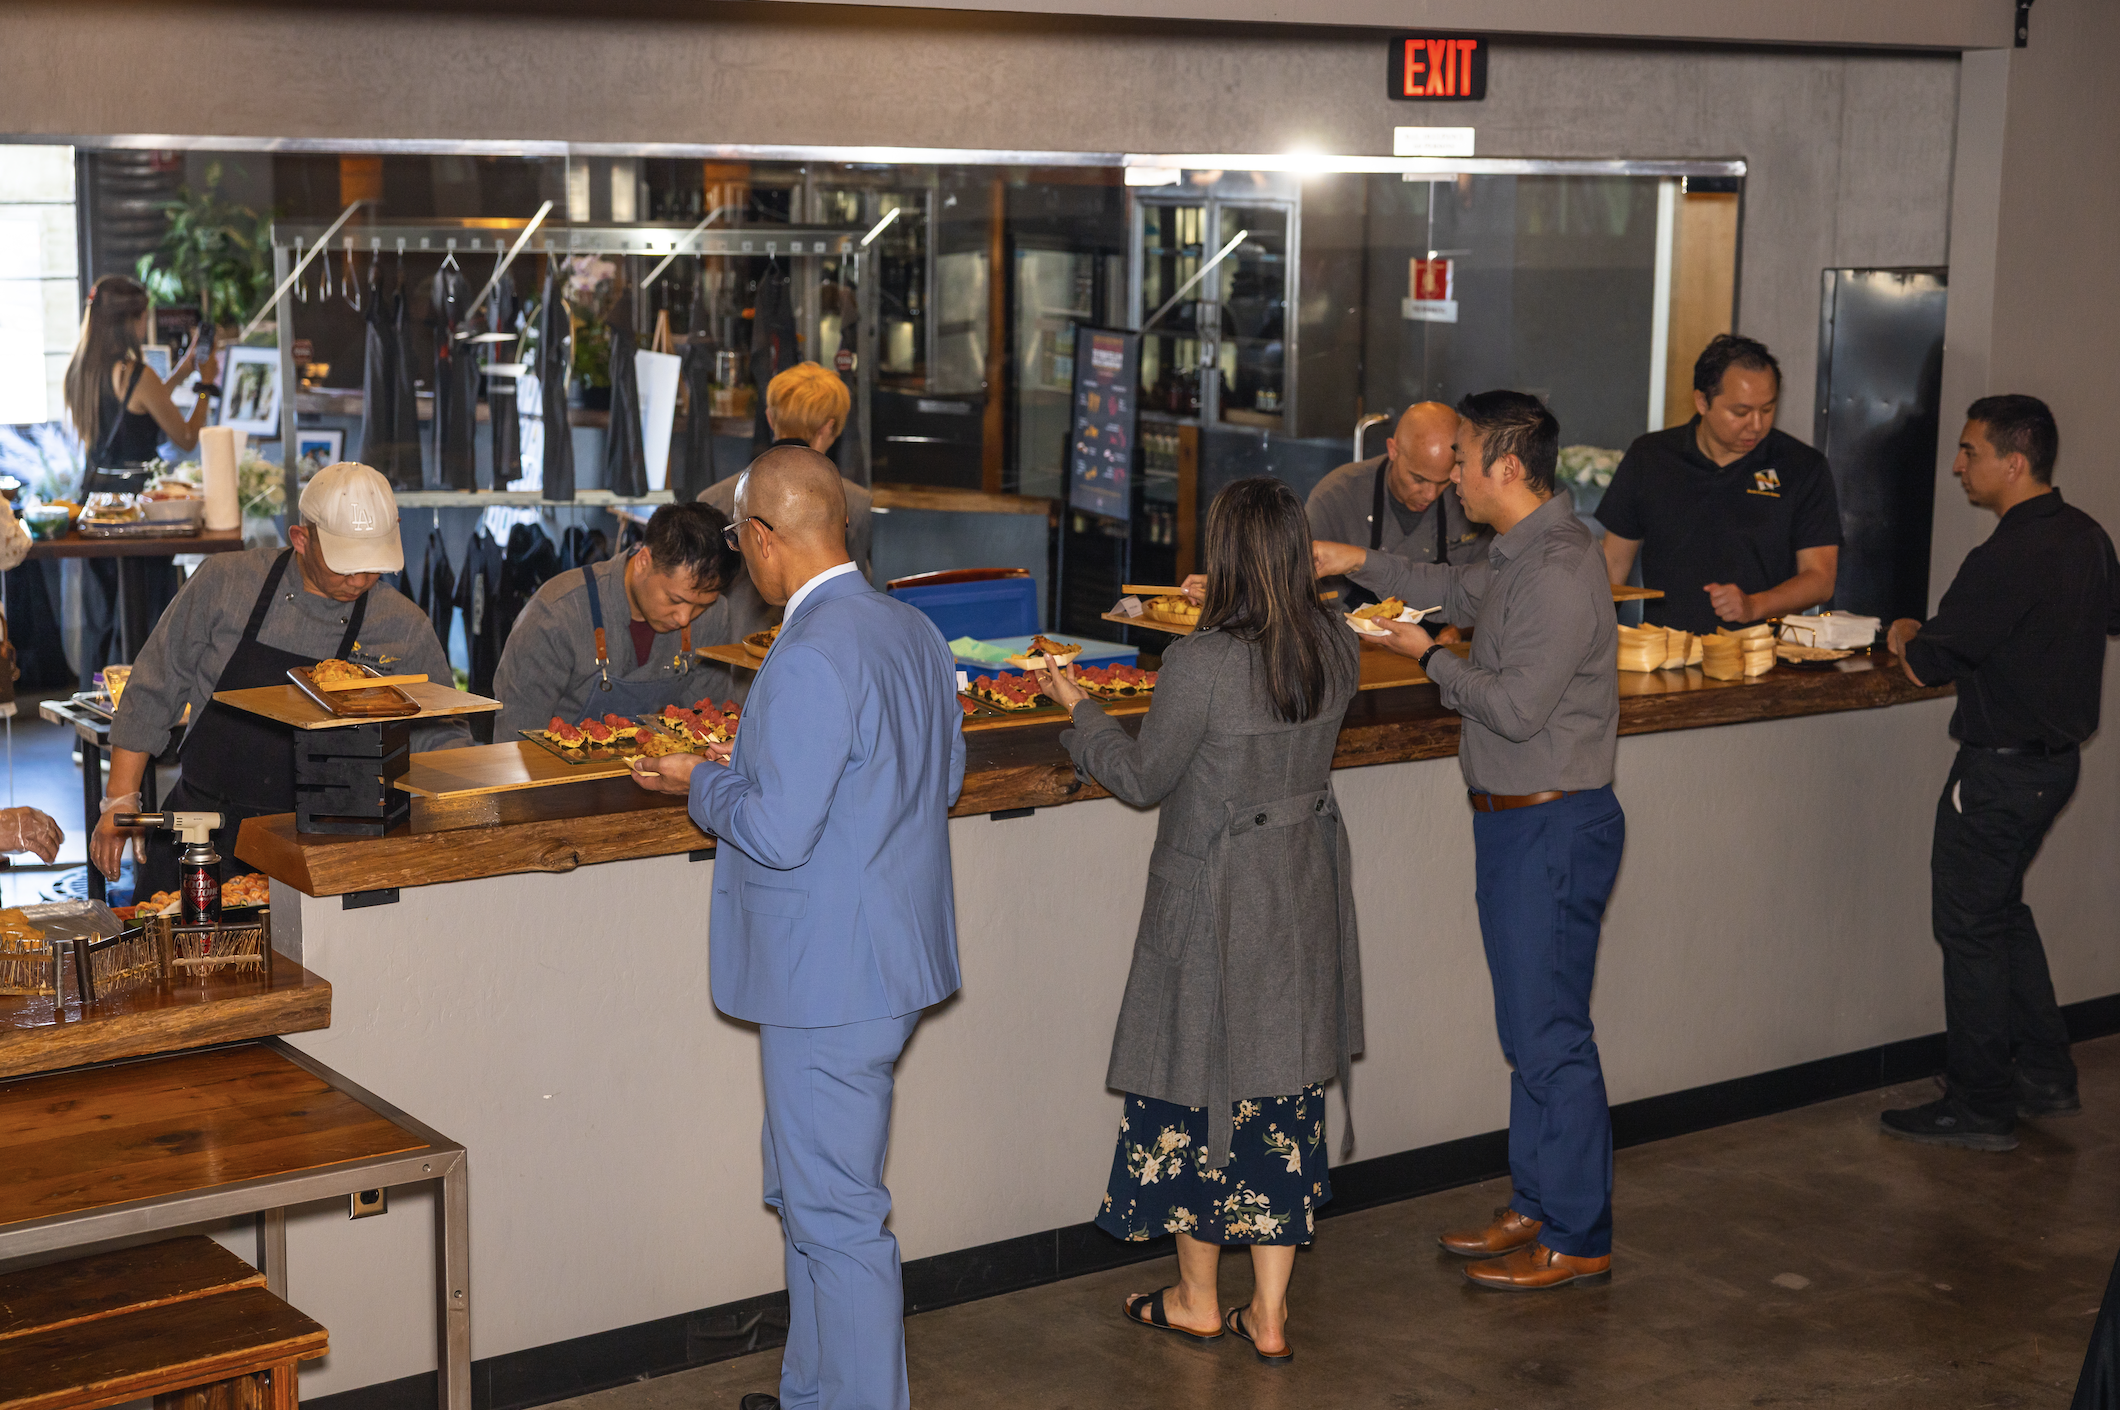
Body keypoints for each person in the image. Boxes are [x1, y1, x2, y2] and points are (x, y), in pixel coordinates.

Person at [629, 446, 963, 1410]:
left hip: (829, 976)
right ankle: (819, 1393)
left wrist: (702, 781)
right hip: (885, 960)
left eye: (739, 541)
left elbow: (776, 831)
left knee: (840, 1220)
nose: (742, 560)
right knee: (815, 1203)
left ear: (767, 538)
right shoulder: (908, 630)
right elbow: (937, 784)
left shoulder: (812, 651)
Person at [1034, 476, 1360, 1363]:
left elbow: (1143, 778)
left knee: (1191, 1087)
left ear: (1221, 560)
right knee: (1279, 1095)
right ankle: (1273, 1314)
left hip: (1211, 896)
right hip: (1298, 889)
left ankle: (1196, 1300)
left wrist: (1078, 710)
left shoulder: (1203, 661)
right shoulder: (1335, 640)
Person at [1316, 390, 1623, 1291]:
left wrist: (1426, 656)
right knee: (1527, 1030)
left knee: (1553, 1036)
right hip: (1517, 820)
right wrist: (1354, 558)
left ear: (1508, 469)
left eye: (1464, 460)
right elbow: (1450, 586)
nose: (1451, 475)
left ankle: (1579, 1232)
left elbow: (1518, 707)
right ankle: (1537, 1202)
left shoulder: (1562, 569)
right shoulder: (1522, 551)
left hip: (1552, 819)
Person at [1879, 396, 2120, 1151]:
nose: (1957, 465)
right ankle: (2045, 1074)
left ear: (2013, 462)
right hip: (2055, 769)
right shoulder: (2087, 537)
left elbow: (1926, 664)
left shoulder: (2007, 555)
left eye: (1969, 451)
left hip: (1998, 774)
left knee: (1970, 928)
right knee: (2000, 914)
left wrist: (1903, 631)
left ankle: (1978, 1104)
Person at [92, 463, 465, 894]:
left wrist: (457, 805)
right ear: (301, 539)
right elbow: (155, 686)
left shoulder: (402, 625)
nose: (360, 580)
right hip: (201, 834)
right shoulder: (226, 583)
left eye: (373, 565)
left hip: (323, 847)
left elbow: (441, 731)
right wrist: (120, 799)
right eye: (345, 565)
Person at [1596, 334, 1841, 634]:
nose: (1756, 424)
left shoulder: (1802, 467)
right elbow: (1614, 564)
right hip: (1666, 652)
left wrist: (1754, 605)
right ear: (1702, 401)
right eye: (1740, 412)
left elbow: (1820, 578)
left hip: (1763, 656)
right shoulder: (1650, 457)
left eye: (1767, 410)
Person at [61, 275, 222, 688]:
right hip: (137, 511)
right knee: (144, 616)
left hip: (94, 506)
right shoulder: (137, 373)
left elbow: (138, 406)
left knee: (101, 616)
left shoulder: (80, 369)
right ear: (130, 320)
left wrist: (184, 370)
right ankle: (138, 716)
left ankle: (91, 722)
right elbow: (185, 437)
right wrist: (205, 385)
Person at [491, 502, 751, 735]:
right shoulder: (556, 615)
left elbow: (710, 725)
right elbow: (515, 743)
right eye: (676, 600)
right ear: (644, 561)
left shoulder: (715, 614)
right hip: (559, 782)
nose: (685, 619)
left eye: (700, 606)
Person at [697, 363, 873, 657]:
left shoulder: (714, 497)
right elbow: (856, 593)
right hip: (822, 657)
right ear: (830, 427)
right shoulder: (852, 502)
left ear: (769, 418)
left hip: (731, 659)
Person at [1306, 401, 1489, 609]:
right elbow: (1307, 597)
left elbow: (1484, 593)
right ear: (1393, 450)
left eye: (1443, 482)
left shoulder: (1471, 503)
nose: (1430, 495)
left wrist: (1457, 630)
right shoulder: (1336, 497)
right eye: (1418, 479)